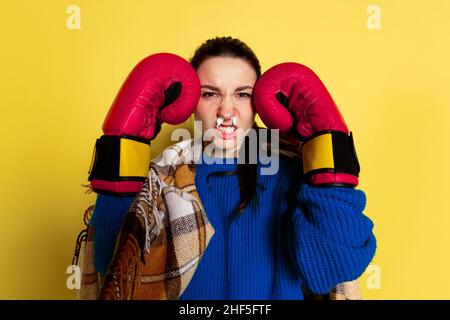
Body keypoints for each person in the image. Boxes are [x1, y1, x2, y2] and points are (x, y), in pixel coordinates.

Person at [74, 36, 376, 300]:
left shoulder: (293, 177)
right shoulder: (160, 180)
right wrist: (124, 145)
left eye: (242, 94)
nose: (226, 111)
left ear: (261, 104)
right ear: (190, 101)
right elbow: (112, 272)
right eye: (210, 93)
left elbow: (334, 267)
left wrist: (326, 146)